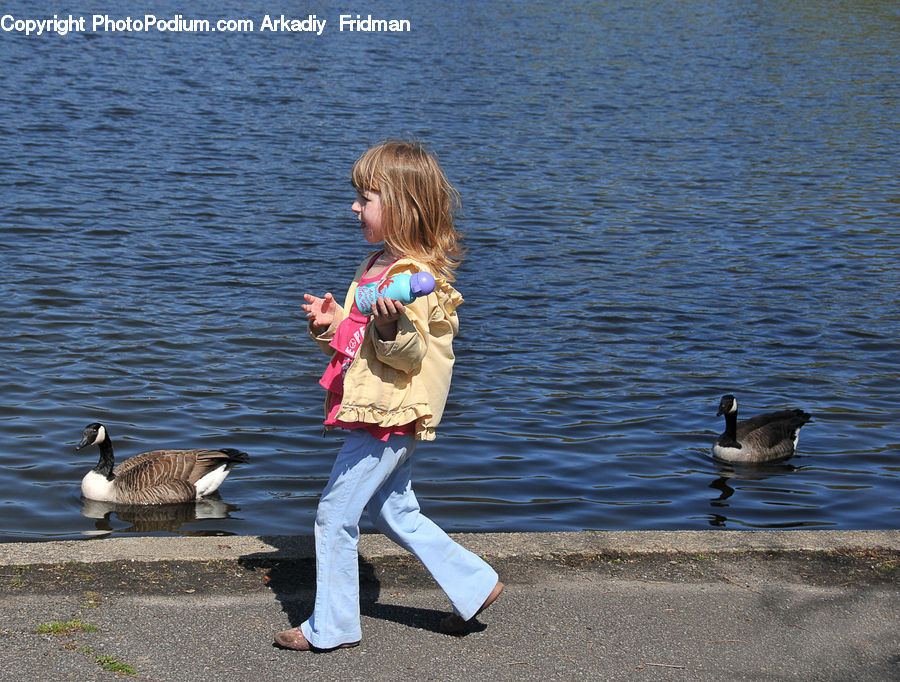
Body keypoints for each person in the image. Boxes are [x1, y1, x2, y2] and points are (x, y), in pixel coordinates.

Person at [275, 140, 503, 652]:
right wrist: (334, 321)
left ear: (402, 207)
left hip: (388, 414)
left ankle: (331, 627)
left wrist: (390, 326)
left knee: (334, 515)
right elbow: (359, 338)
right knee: (394, 511)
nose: (354, 207)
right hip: (382, 409)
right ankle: (475, 584)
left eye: (366, 197)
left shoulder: (408, 278)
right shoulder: (380, 263)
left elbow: (409, 354)